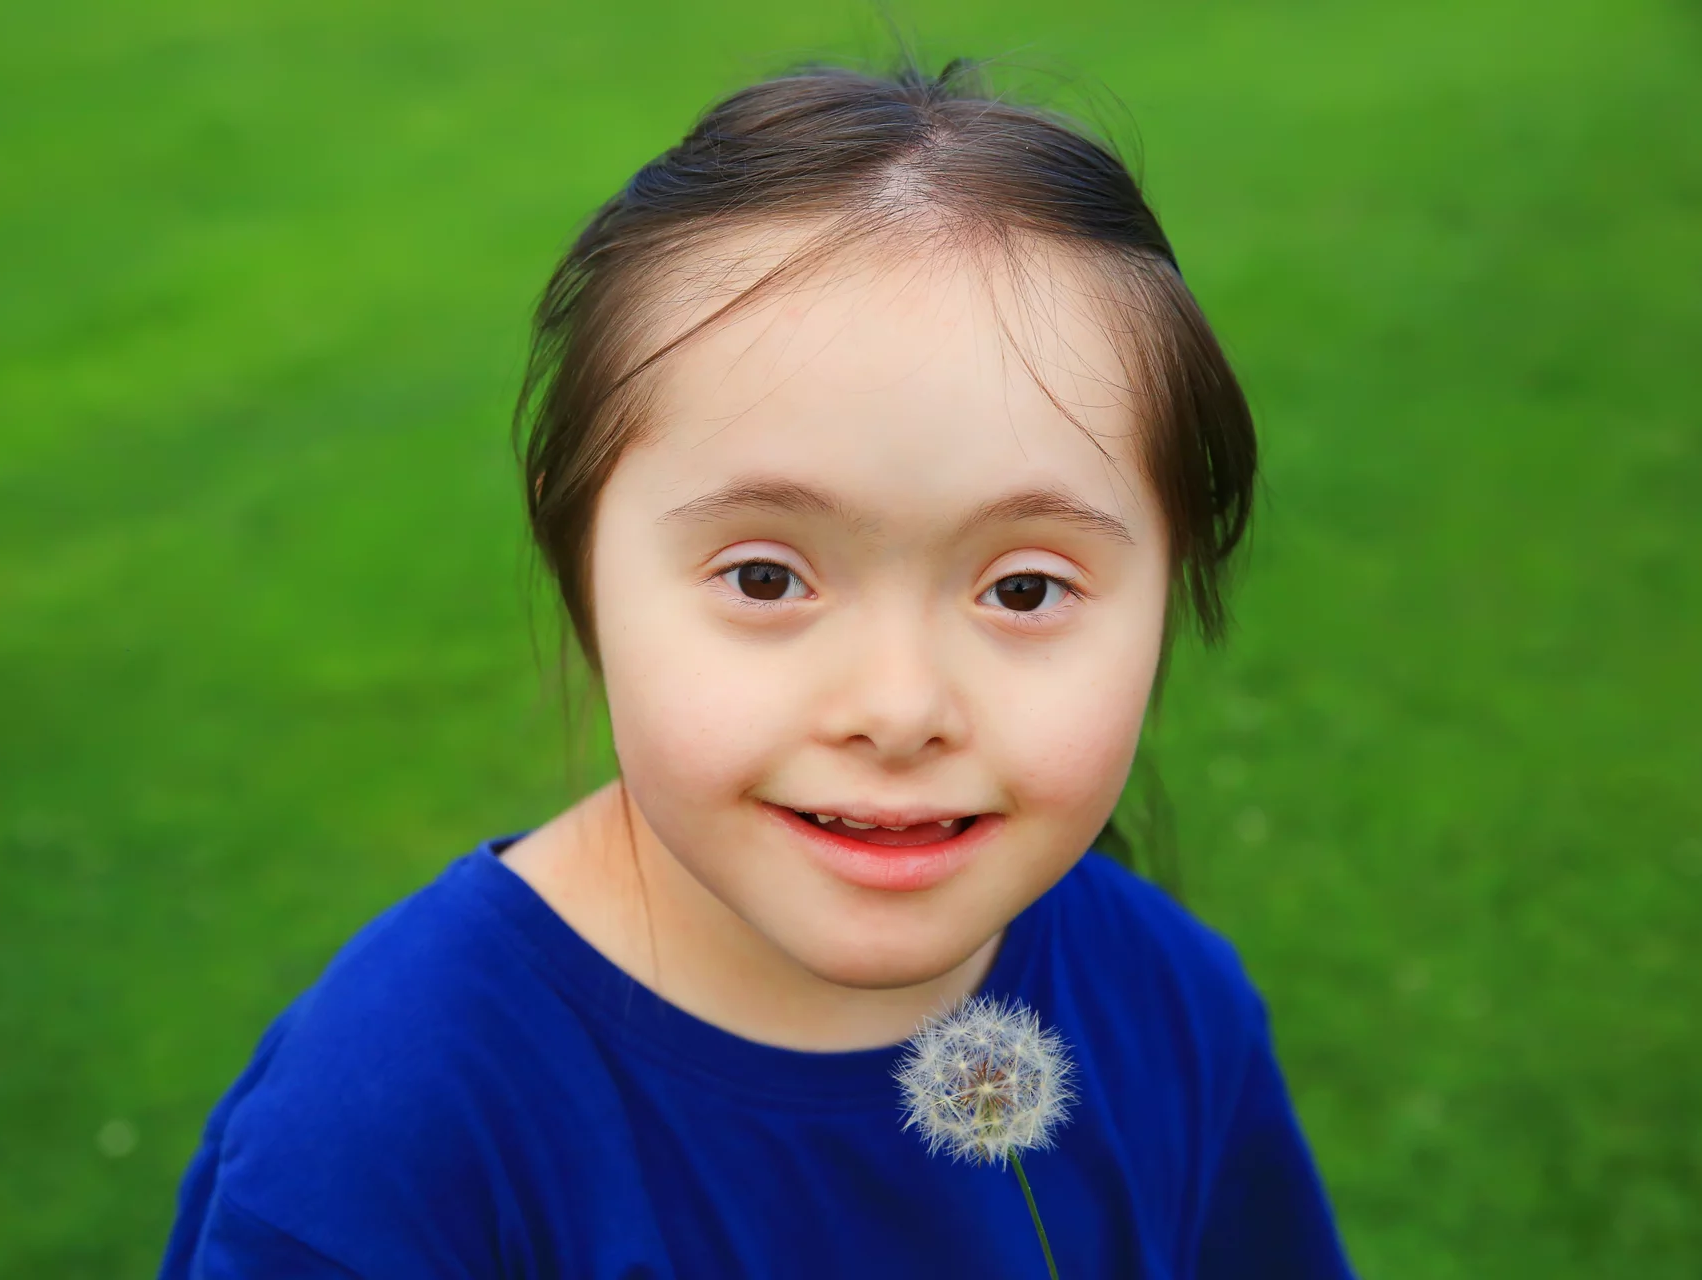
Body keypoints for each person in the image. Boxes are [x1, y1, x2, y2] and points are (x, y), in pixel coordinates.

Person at [160, 58, 1358, 1279]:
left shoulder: (1172, 1005)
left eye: (1023, 589)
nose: (899, 708)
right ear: (580, 544)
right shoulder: (384, 1131)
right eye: (767, 577)